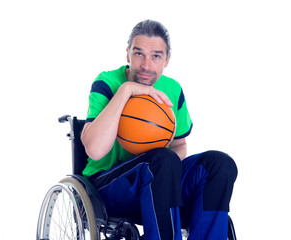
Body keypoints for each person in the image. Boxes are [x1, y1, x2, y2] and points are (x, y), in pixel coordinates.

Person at [81, 20, 238, 240]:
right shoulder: (107, 83)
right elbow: (95, 150)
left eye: (156, 56)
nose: (146, 65)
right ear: (127, 55)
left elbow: (180, 144)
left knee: (220, 164)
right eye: (138, 54)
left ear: (167, 60)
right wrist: (126, 90)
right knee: (162, 161)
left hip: (159, 182)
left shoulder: (172, 89)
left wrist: (169, 170)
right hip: (110, 187)